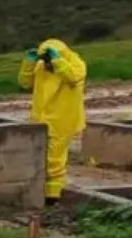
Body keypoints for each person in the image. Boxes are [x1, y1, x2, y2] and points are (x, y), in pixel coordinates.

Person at [18, 38, 86, 204]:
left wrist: (57, 60)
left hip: (62, 118)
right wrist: (29, 63)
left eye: (48, 59)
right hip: (41, 118)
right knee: (41, 157)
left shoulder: (75, 63)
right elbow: (24, 83)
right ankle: (42, 191)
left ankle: (52, 196)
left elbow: (72, 77)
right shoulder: (42, 67)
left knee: (55, 159)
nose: (47, 64)